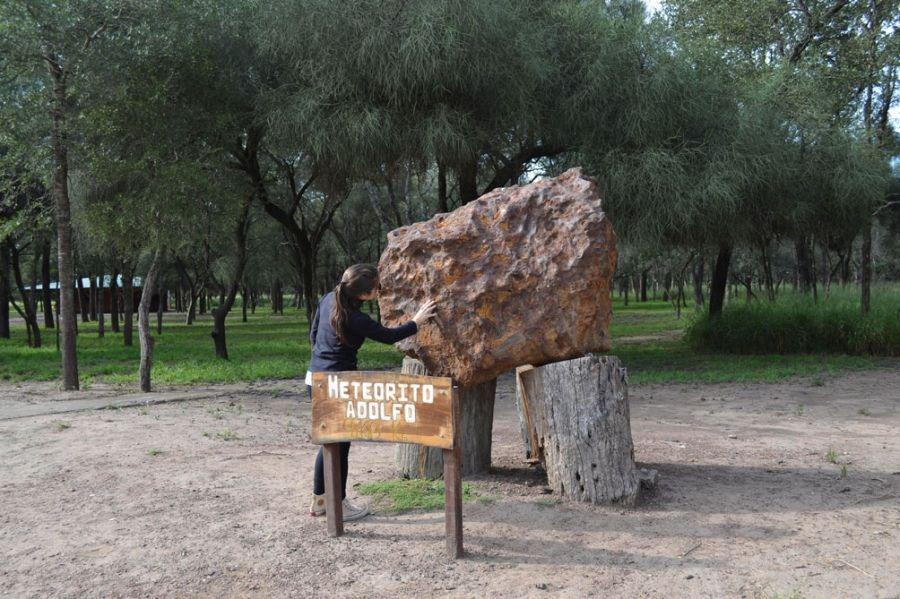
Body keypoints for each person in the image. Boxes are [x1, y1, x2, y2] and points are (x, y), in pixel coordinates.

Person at [306, 263, 436, 521]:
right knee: (340, 446)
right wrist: (417, 321)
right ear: (364, 294)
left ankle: (321, 501)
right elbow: (388, 337)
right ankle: (338, 504)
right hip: (336, 384)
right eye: (378, 287)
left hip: (315, 379)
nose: (381, 290)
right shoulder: (356, 318)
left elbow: (312, 334)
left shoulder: (328, 299)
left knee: (329, 443)